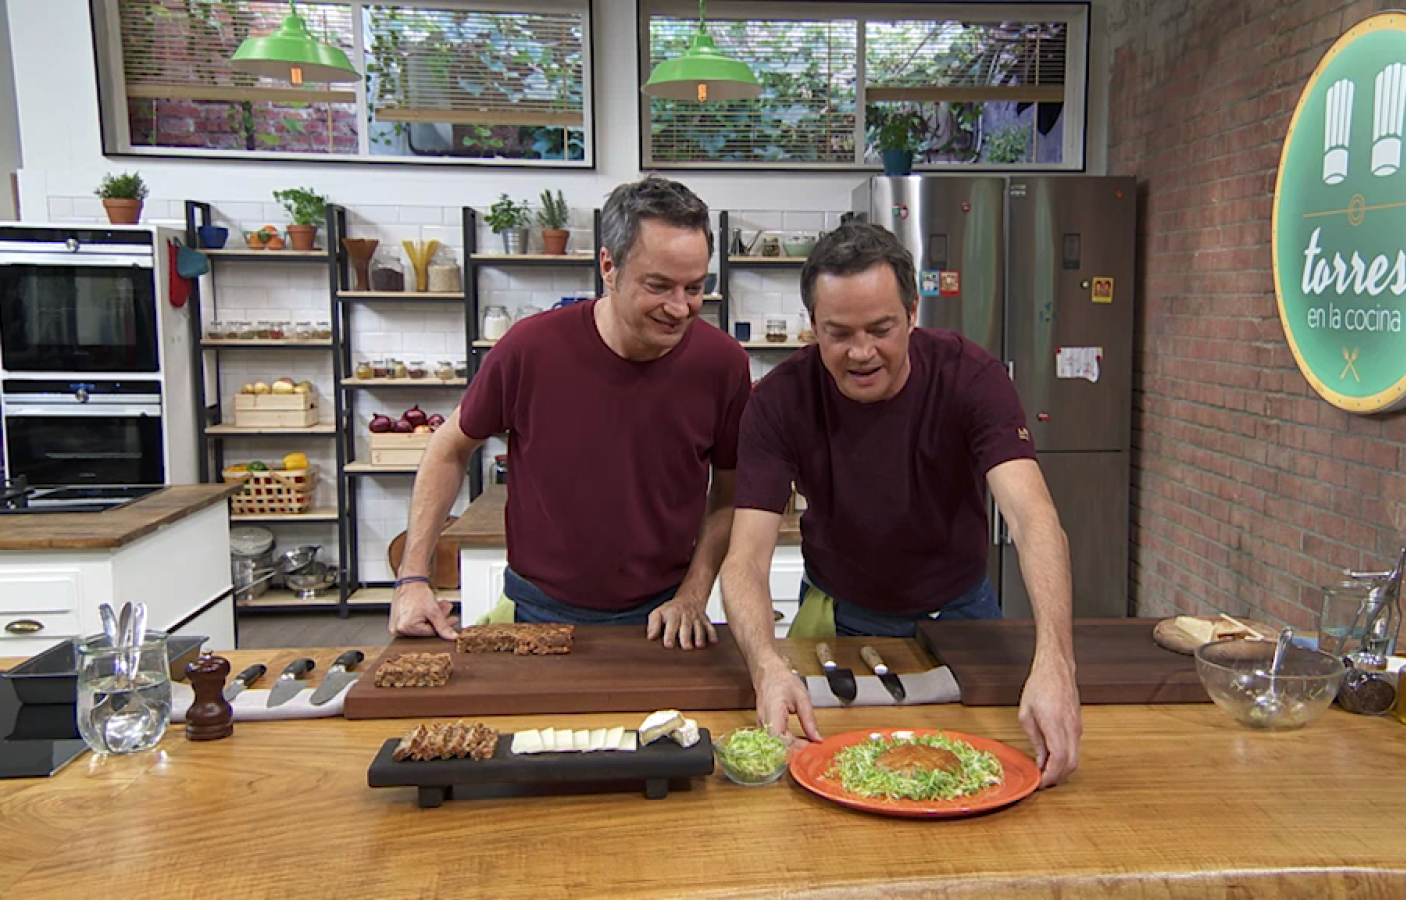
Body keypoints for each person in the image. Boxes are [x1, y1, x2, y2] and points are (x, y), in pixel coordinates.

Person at [720, 220, 1083, 785]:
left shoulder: (972, 378)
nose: (862, 353)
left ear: (913, 313)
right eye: (838, 333)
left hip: (963, 614)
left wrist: (1056, 662)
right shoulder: (778, 402)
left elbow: (1034, 520)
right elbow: (744, 558)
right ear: (811, 326)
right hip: (837, 615)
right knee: (826, 770)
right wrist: (766, 666)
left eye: (882, 328)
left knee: (981, 764)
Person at [389, 176, 749, 650]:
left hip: (666, 616)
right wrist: (413, 577)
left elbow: (729, 492)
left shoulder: (721, 364)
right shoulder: (530, 349)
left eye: (694, 287)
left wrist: (694, 593)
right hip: (537, 611)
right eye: (659, 286)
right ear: (609, 266)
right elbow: (449, 448)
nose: (680, 308)